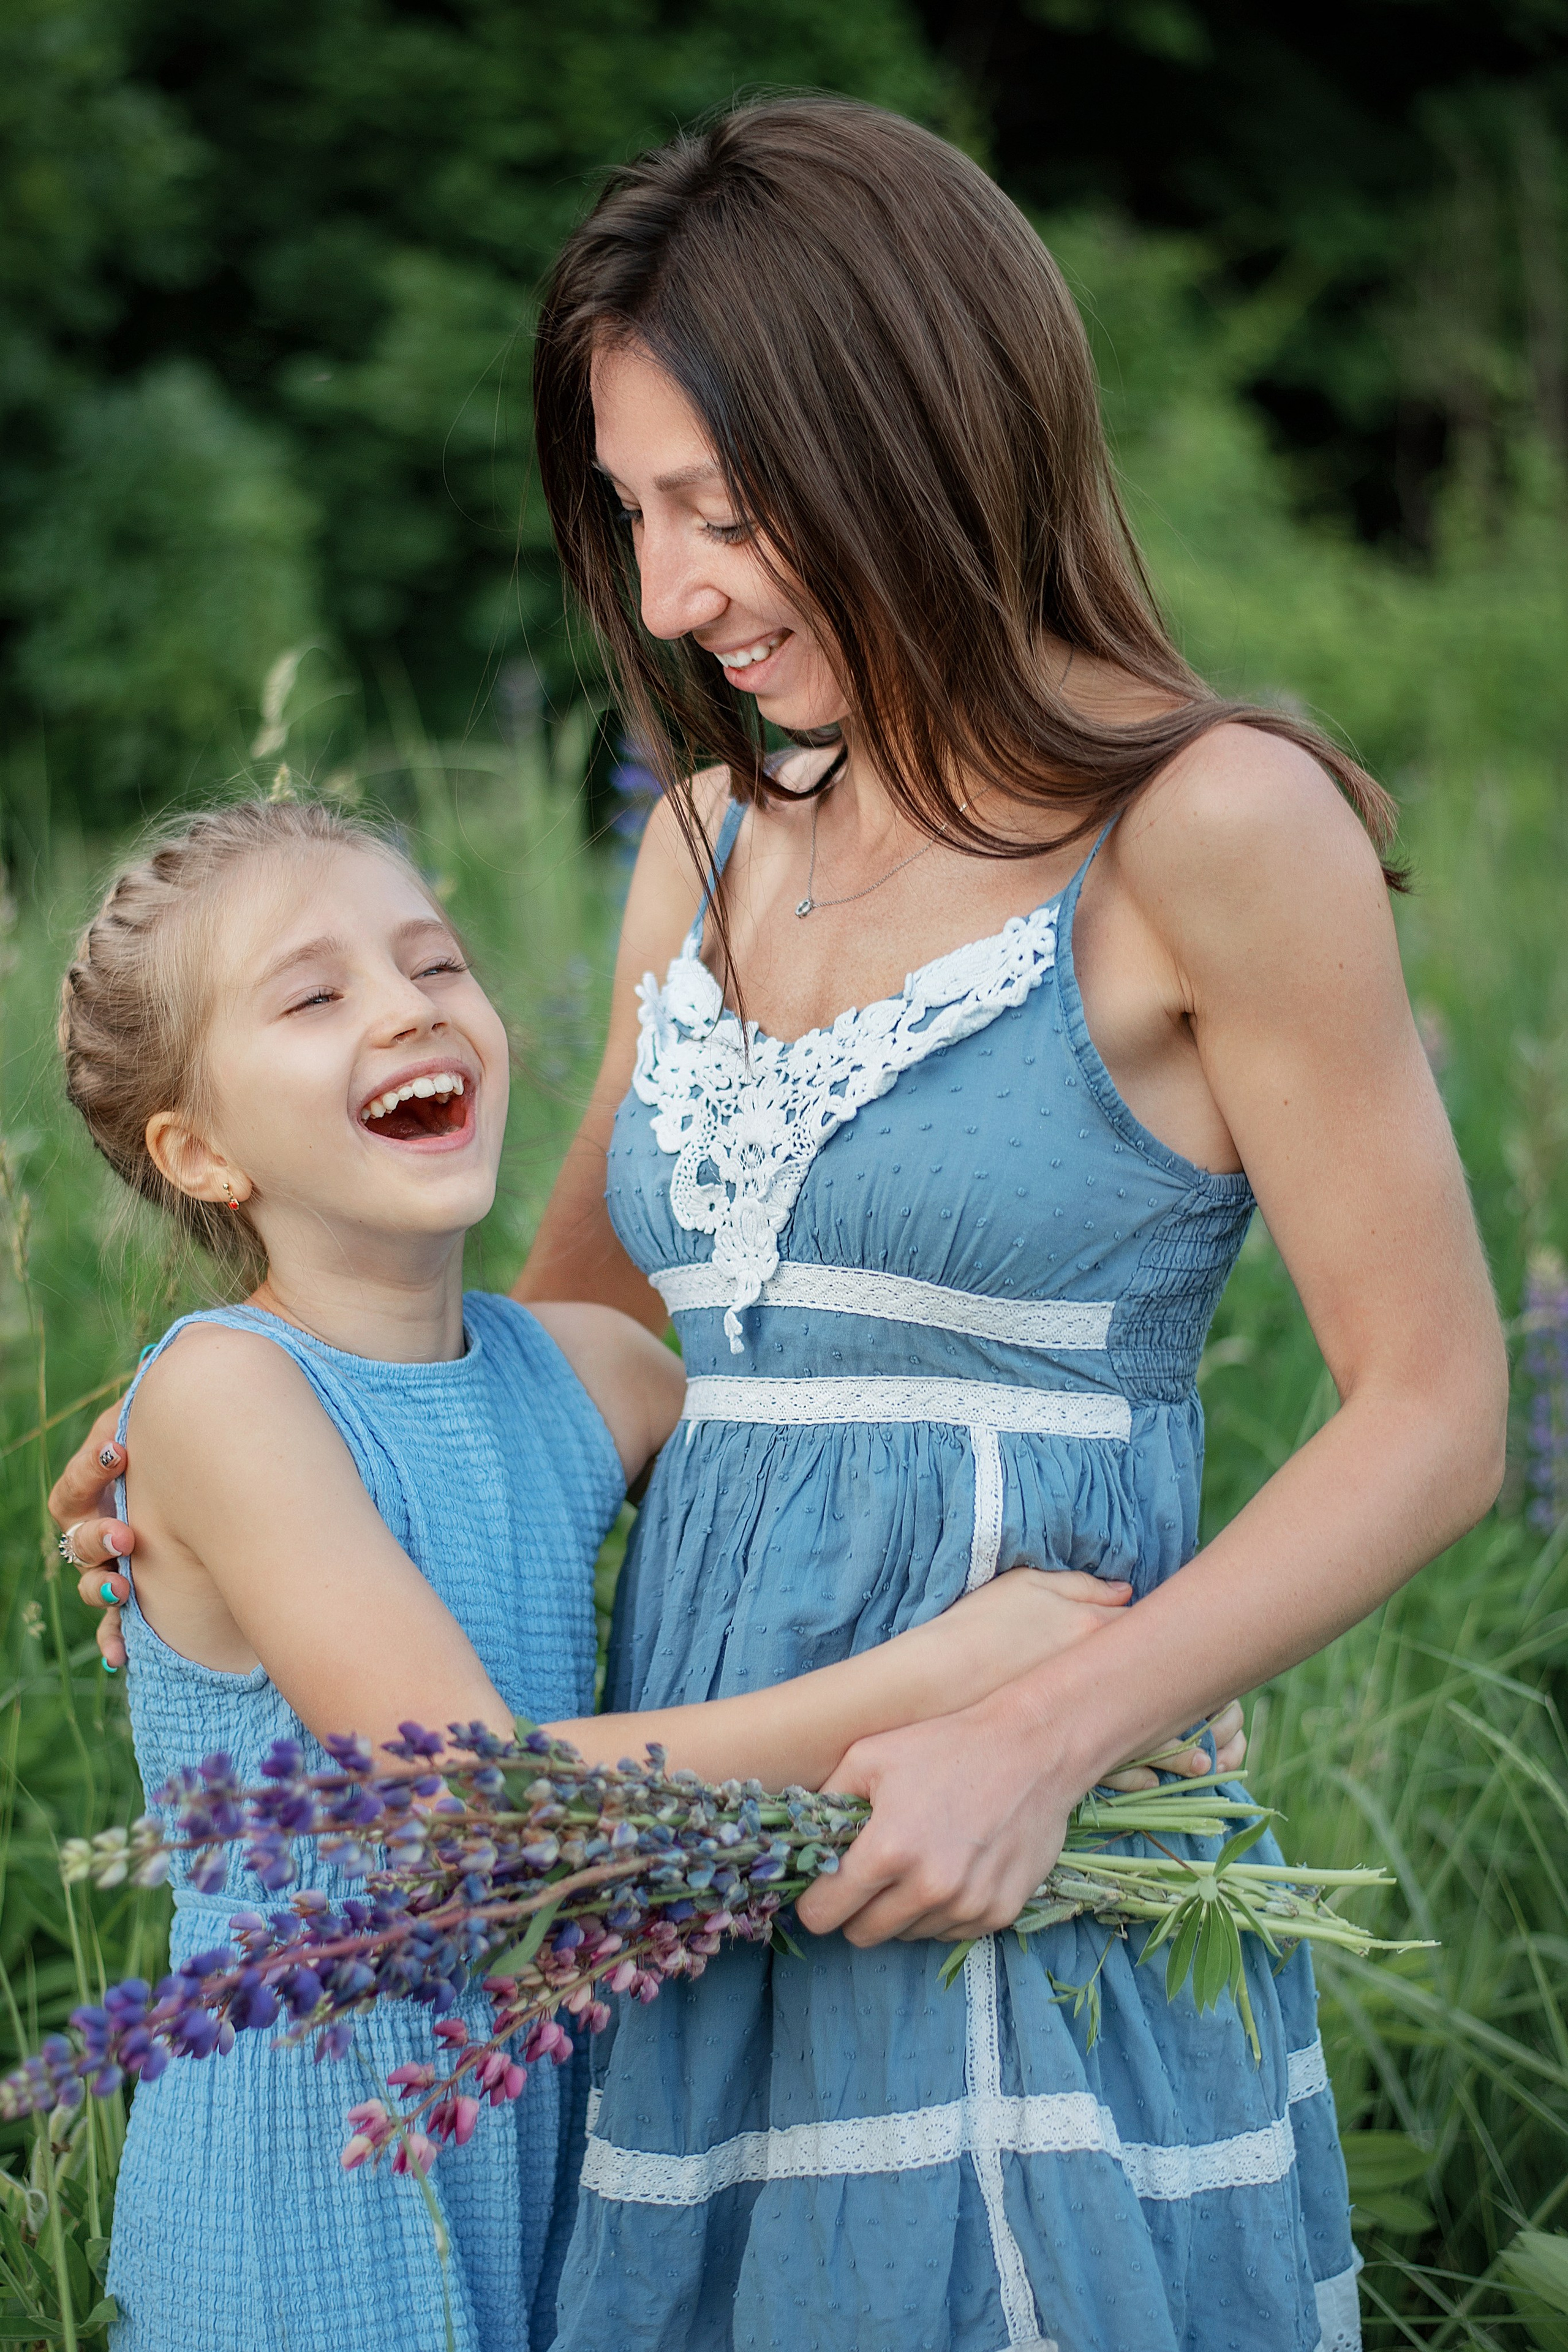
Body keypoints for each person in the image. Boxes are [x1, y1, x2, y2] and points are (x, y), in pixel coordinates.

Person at [52, 91, 1503, 2352]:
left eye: (725, 509)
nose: (671, 597)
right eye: (636, 514)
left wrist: (1051, 1726)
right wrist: (248, 1441)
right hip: (681, 1881)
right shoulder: (707, 845)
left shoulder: (1216, 824)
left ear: (928, 436)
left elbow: (1437, 1414)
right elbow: (550, 1344)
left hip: (1001, 1857)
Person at [57, 797, 1144, 2352]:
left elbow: (860, 1525)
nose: (408, 1004)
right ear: (197, 1151)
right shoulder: (224, 1398)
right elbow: (477, 1812)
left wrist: (1108, 1695)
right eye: (315, 995)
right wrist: (951, 1678)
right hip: (314, 2174)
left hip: (567, 2121)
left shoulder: (592, 1373)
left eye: (432, 960)